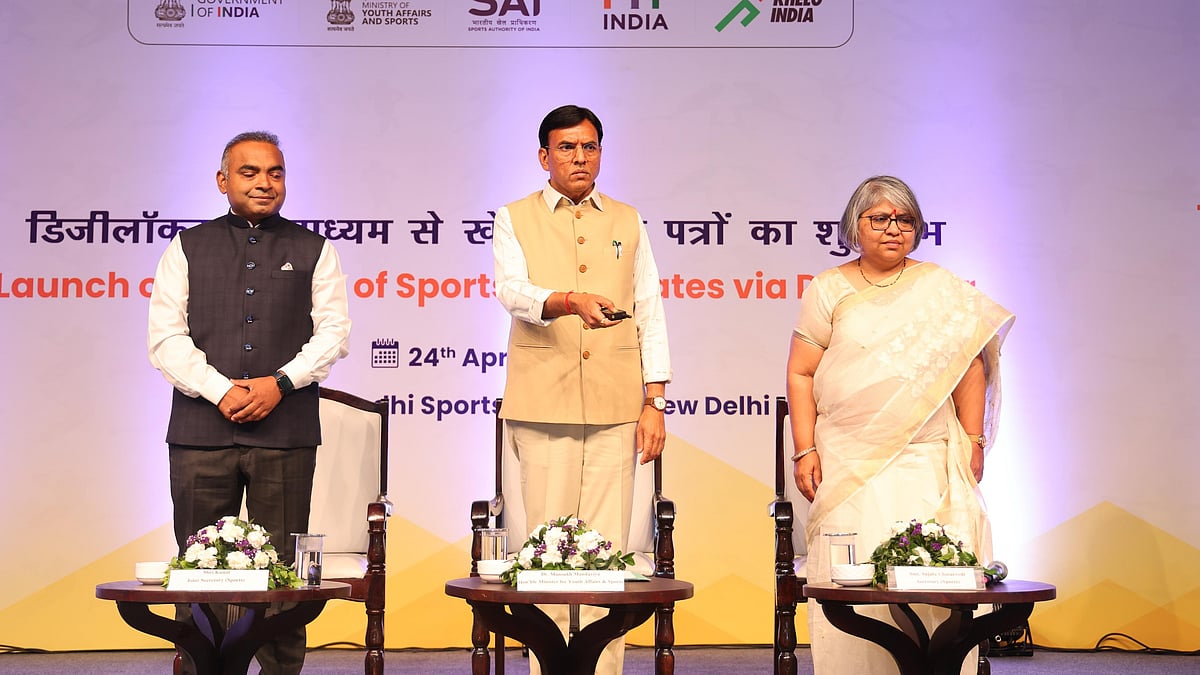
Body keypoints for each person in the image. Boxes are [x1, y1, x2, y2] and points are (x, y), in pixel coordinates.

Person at [786, 175, 1014, 674]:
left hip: (925, 457)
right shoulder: (828, 288)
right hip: (848, 460)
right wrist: (805, 449)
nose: (893, 228)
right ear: (855, 226)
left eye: (905, 219)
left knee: (932, 573)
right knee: (854, 581)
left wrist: (973, 440)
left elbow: (969, 367)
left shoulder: (940, 287)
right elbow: (801, 373)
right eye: (880, 219)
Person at [147, 131, 351, 675]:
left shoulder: (315, 249)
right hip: (200, 434)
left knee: (282, 576)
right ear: (222, 181)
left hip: (285, 433)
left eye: (275, 172)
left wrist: (278, 383)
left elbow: (334, 334)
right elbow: (165, 338)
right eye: (249, 172)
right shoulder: (187, 246)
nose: (265, 182)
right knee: (199, 569)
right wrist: (222, 390)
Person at [492, 104, 672, 675]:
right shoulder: (514, 217)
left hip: (618, 405)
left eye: (589, 147)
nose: (579, 157)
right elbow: (512, 291)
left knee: (605, 554)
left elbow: (650, 310)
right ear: (543, 156)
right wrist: (568, 300)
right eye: (566, 147)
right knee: (545, 553)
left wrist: (655, 400)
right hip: (543, 402)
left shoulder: (628, 219)